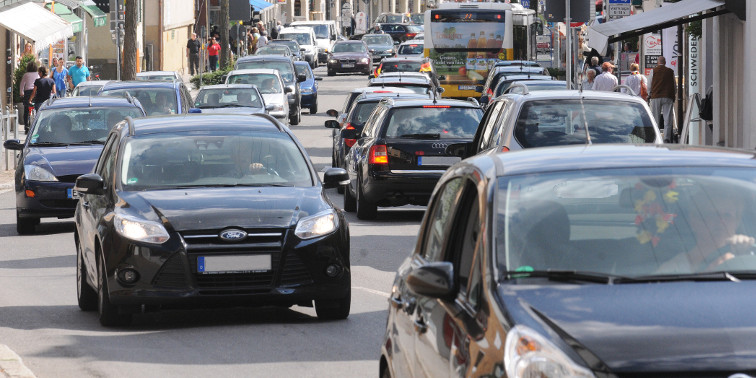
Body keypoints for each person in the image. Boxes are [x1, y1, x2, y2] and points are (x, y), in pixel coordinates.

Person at [657, 188, 755, 273]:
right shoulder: (673, 269)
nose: (721, 221)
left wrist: (746, 254)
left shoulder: (747, 257)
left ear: (737, 222)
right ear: (694, 221)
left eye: (727, 215)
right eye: (713, 214)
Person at [650, 56, 677, 143]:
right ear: (665, 62)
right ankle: (667, 138)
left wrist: (649, 93)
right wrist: (673, 94)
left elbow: (649, 84)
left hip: (656, 96)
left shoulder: (653, 71)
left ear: (658, 62)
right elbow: (674, 85)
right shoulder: (670, 71)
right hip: (667, 96)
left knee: (655, 118)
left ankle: (656, 137)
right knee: (668, 118)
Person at [19, 61, 39, 129]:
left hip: (27, 92)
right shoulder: (37, 74)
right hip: (35, 92)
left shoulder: (26, 75)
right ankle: (36, 124)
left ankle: (26, 125)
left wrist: (21, 93)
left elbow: (22, 84)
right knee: (37, 107)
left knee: (26, 109)